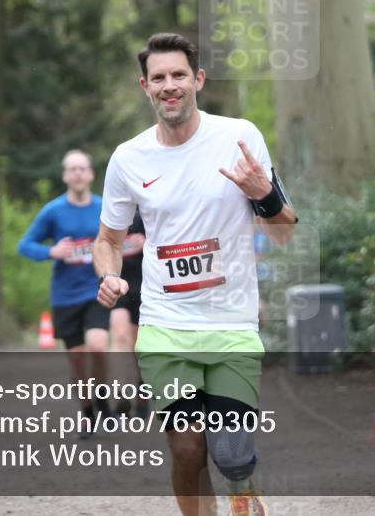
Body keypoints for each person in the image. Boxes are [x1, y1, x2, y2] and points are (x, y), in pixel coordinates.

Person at [94, 33, 297, 516]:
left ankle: (244, 488)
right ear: (145, 86)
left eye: (179, 75)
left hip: (231, 323)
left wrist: (263, 192)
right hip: (166, 321)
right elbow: (108, 240)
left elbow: (286, 231)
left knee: (230, 454)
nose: (170, 86)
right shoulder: (128, 158)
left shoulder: (239, 137)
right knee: (187, 449)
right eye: (159, 78)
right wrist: (110, 276)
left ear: (198, 80)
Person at [18, 149, 112, 431]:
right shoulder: (53, 211)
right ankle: (87, 412)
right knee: (78, 358)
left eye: (82, 168)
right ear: (65, 176)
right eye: (72, 169)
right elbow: (25, 245)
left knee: (98, 347)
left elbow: (122, 238)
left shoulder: (104, 207)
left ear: (91, 174)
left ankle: (103, 399)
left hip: (96, 289)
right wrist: (52, 251)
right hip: (65, 295)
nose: (78, 173)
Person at [110, 209, 147, 417]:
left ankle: (142, 387)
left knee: (138, 346)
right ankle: (121, 391)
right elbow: (100, 243)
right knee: (120, 334)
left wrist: (147, 244)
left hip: (144, 283)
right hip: (118, 282)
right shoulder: (108, 212)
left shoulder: (149, 208)